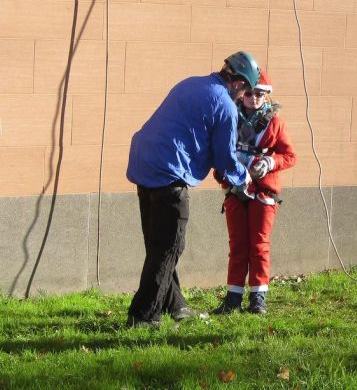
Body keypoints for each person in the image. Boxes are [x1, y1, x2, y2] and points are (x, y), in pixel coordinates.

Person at [126, 51, 261, 327]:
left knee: (159, 244)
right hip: (168, 174)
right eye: (246, 90)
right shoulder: (224, 103)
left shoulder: (192, 83)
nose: (243, 96)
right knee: (169, 245)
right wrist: (242, 178)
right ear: (238, 84)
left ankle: (175, 305)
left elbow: (189, 132)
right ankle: (143, 317)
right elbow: (225, 157)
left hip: (144, 163)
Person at [213, 70, 297, 315]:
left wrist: (270, 163)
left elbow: (290, 156)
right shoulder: (230, 117)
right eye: (249, 93)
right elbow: (219, 150)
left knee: (259, 245)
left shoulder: (275, 122)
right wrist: (223, 176)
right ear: (241, 94)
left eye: (259, 94)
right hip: (235, 191)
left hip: (263, 192)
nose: (253, 99)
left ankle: (258, 298)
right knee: (238, 245)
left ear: (267, 95)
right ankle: (233, 298)